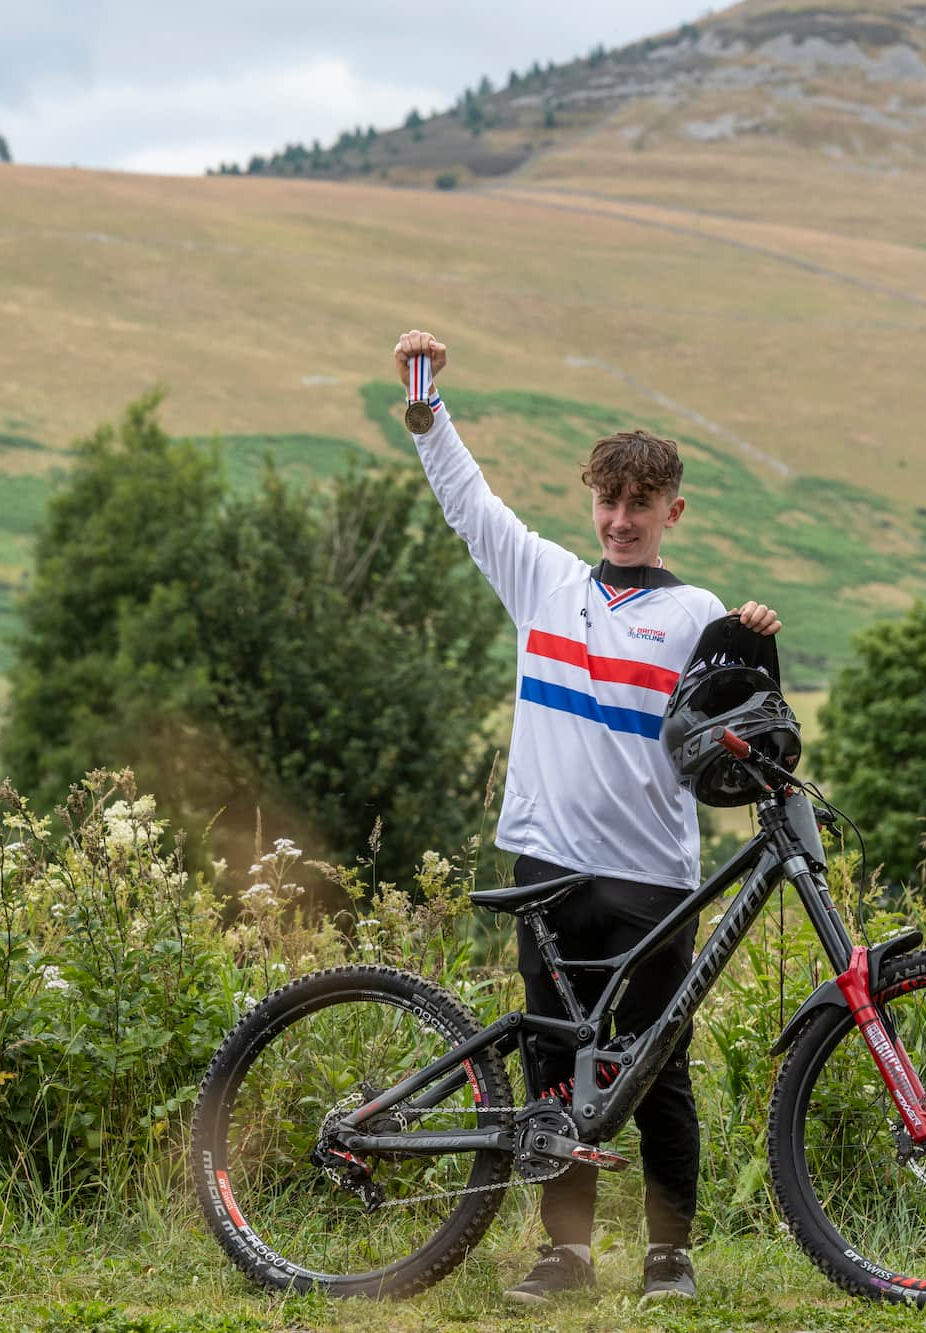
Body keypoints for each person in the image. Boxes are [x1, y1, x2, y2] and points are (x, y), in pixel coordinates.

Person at [392, 329, 781, 1305]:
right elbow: (467, 504)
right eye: (607, 501)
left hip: (652, 876)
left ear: (670, 511)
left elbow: (732, 726)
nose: (619, 519)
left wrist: (751, 644)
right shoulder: (543, 584)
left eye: (639, 505)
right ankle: (561, 1260)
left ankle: (667, 1261)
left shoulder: (694, 611)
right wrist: (426, 407)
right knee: (555, 1074)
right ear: (592, 502)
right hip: (550, 867)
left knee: (657, 1073)